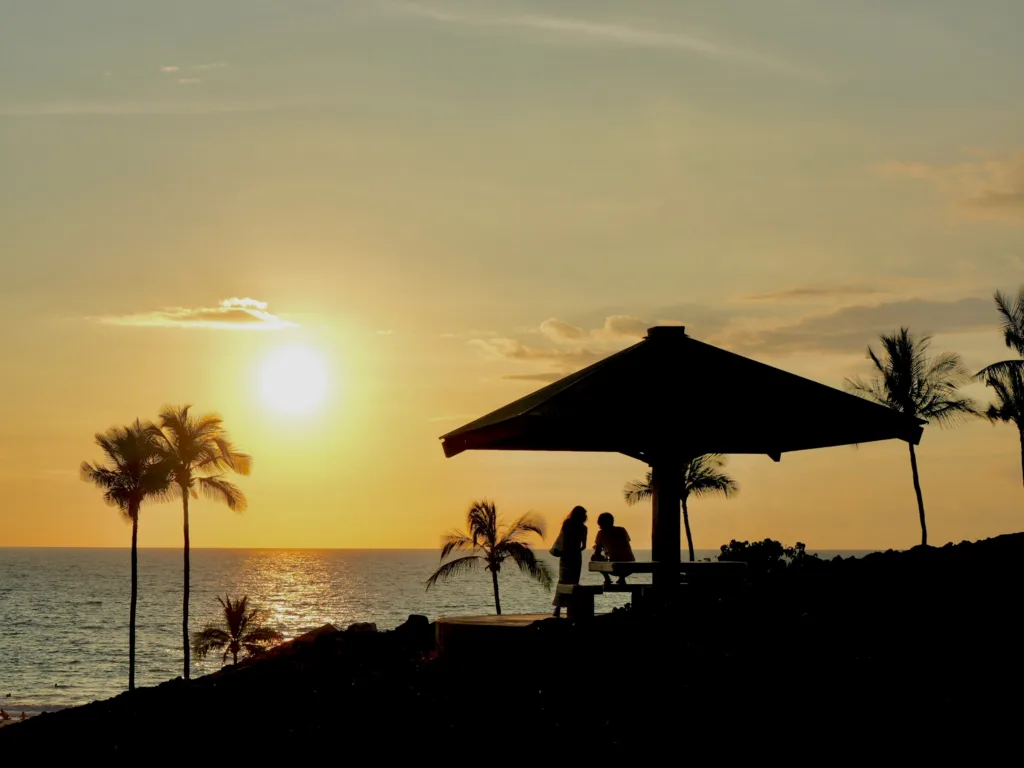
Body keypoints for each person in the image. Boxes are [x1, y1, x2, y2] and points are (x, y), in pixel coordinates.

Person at [551, 506, 588, 618]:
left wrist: (566, 551)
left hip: (566, 555)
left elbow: (564, 541)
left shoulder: (567, 524)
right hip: (576, 555)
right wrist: (576, 549)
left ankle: (557, 608)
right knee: (574, 581)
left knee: (563, 580)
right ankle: (570, 607)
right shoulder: (583, 528)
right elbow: (583, 546)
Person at [593, 512, 635, 585]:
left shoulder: (601, 533)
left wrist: (599, 547)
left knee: (594, 557)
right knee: (622, 558)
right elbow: (623, 545)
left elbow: (597, 551)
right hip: (629, 567)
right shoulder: (622, 530)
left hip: (615, 567)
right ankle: (622, 578)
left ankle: (607, 578)